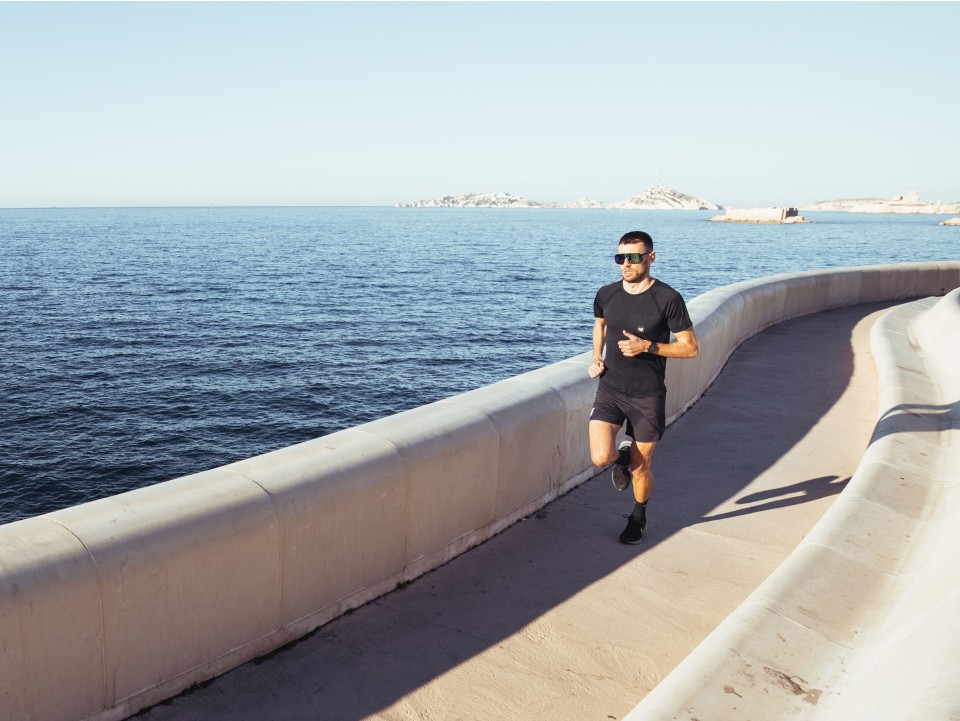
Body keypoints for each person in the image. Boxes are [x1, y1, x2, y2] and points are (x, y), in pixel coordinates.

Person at [588, 230, 699, 544]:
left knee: (641, 468)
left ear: (651, 257)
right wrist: (596, 357)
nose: (626, 264)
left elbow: (690, 348)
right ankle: (620, 456)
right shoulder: (606, 294)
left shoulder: (667, 299)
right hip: (610, 389)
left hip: (647, 396)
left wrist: (648, 347)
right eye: (620, 258)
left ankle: (638, 516)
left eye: (634, 257)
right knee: (599, 457)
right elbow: (600, 324)